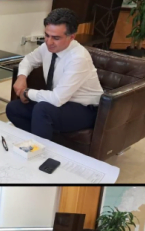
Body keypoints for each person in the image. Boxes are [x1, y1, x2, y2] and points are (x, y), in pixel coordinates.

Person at [6, 8, 104, 141]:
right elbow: (28, 60)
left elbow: (57, 99)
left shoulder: (78, 58)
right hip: (61, 103)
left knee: (42, 109)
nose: (49, 42)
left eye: (56, 38)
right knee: (13, 108)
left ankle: (40, 150)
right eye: (47, 35)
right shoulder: (47, 47)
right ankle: (39, 143)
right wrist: (22, 76)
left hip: (85, 109)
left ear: (72, 37)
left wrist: (27, 92)